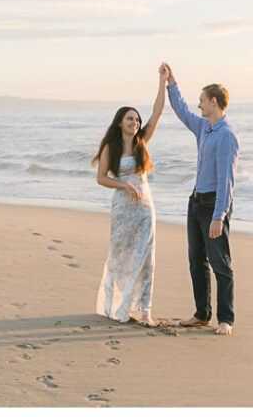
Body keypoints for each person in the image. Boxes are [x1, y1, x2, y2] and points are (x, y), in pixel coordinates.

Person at [160, 62, 239, 336]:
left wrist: (219, 215)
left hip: (213, 205)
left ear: (214, 102)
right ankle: (202, 314)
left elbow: (226, 180)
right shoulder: (204, 127)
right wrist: (171, 81)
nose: (198, 104)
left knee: (220, 264)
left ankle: (226, 319)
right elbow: (181, 109)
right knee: (196, 259)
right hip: (195, 202)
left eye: (202, 100)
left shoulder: (227, 135)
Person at [91, 68, 168, 325]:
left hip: (145, 210)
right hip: (123, 211)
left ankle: (145, 311)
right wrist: (124, 186)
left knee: (147, 258)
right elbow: (101, 178)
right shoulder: (110, 147)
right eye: (129, 119)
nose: (134, 122)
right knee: (120, 257)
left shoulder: (141, 142)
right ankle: (116, 306)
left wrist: (162, 82)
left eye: (136, 119)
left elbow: (157, 112)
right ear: (119, 123)